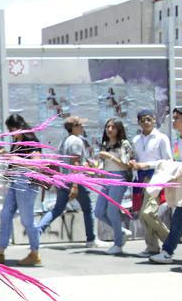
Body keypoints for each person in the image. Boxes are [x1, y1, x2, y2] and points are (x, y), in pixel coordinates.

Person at [35, 116, 97, 247]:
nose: (82, 127)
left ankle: (37, 232)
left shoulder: (64, 141)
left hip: (63, 180)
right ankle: (91, 239)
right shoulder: (76, 141)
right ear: (73, 127)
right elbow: (75, 162)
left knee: (57, 209)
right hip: (75, 180)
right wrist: (75, 185)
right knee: (87, 209)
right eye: (80, 125)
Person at [0, 114, 43, 266]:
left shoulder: (30, 141)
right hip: (15, 182)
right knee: (5, 215)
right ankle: (0, 251)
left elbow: (37, 164)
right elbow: (14, 162)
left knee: (27, 220)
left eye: (12, 129)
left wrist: (16, 160)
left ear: (20, 126)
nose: (11, 132)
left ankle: (35, 253)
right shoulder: (17, 141)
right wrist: (9, 164)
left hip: (26, 183)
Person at [150, 106, 182, 265]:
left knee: (179, 219)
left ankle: (167, 252)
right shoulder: (177, 141)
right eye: (173, 118)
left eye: (177, 118)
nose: (173, 121)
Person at [130, 109, 172, 255]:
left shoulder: (161, 138)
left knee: (147, 212)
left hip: (156, 177)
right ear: (138, 122)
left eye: (149, 119)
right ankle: (152, 247)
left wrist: (147, 165)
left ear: (154, 120)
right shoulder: (136, 140)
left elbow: (168, 161)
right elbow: (135, 159)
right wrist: (133, 163)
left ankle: (170, 240)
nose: (146, 122)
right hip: (140, 179)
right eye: (142, 120)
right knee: (142, 214)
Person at [93, 118, 134, 255]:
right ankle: (121, 231)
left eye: (113, 127)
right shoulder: (105, 144)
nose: (109, 130)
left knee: (112, 211)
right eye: (107, 127)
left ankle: (118, 244)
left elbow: (126, 165)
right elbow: (102, 162)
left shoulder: (124, 144)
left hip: (119, 177)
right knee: (99, 211)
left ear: (119, 129)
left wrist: (109, 157)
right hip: (107, 177)